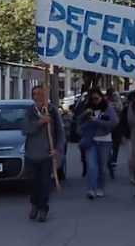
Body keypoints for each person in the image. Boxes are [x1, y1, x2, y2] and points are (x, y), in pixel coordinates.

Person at [22, 85, 66, 222]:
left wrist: (57, 149)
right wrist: (40, 122)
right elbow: (26, 130)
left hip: (47, 154)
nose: (38, 96)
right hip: (32, 154)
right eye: (35, 94)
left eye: (40, 93)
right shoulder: (29, 112)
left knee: (44, 183)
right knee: (33, 183)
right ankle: (34, 204)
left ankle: (43, 208)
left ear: (45, 95)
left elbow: (60, 133)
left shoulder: (52, 111)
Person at [78, 87, 118, 199]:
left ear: (101, 97)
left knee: (102, 166)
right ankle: (90, 189)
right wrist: (84, 114)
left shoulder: (107, 108)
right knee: (91, 165)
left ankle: (100, 188)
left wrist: (97, 121)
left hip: (105, 140)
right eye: (92, 99)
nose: (95, 101)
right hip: (91, 140)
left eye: (97, 98)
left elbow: (113, 122)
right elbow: (78, 121)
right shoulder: (88, 108)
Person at [70, 84, 89, 177]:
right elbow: (75, 114)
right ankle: (85, 167)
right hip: (83, 130)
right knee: (83, 150)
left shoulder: (94, 103)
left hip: (93, 130)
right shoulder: (80, 103)